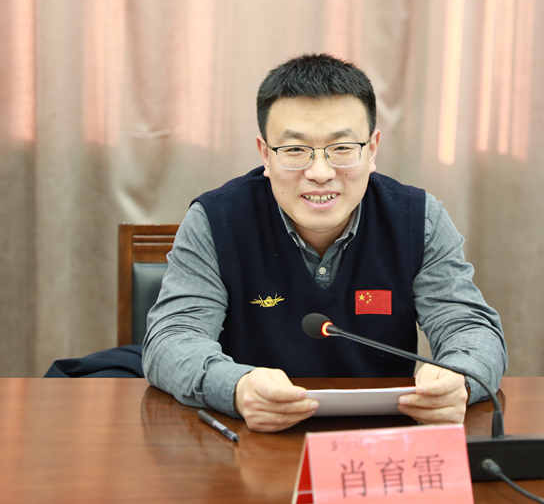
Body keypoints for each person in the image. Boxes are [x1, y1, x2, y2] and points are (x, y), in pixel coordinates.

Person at [142, 54, 507, 432]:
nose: (320, 173)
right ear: (265, 154)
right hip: (253, 437)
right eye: (295, 150)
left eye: (342, 148)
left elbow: (471, 329)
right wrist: (236, 387)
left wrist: (458, 380)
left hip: (381, 440)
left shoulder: (419, 219)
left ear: (372, 149)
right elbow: (172, 340)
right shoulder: (215, 220)